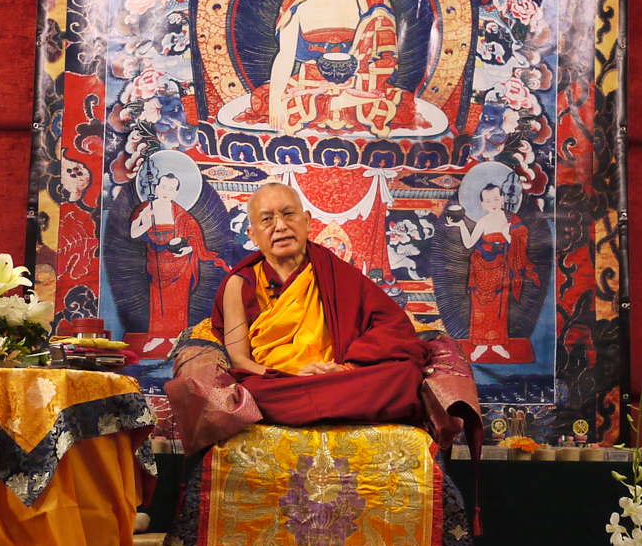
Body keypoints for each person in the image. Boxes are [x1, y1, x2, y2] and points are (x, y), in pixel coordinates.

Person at [165, 182, 482, 463]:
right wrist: (288, 375)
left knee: (404, 376)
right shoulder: (240, 283)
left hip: (334, 376)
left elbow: (394, 328)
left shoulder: (333, 272)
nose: (280, 226)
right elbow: (239, 359)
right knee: (246, 394)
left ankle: (309, 405)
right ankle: (327, 403)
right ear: (252, 235)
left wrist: (345, 369)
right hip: (276, 382)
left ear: (307, 221)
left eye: (289, 215)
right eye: (267, 219)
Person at [237, 0, 427, 137]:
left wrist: (356, 83)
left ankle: (338, 102)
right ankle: (338, 103)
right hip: (309, 85)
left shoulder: (376, 3)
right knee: (264, 100)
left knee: (405, 106)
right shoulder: (298, 0)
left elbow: (385, 59)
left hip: (359, 86)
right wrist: (277, 100)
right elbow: (285, 55)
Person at [129, 172, 228, 349]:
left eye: (171, 189)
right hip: (157, 262)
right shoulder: (148, 209)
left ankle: (177, 336)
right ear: (157, 188)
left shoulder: (181, 214)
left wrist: (188, 249)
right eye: (163, 187)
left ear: (176, 193)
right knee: (158, 302)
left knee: (179, 301)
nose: (166, 191)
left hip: (180, 264)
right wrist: (148, 221)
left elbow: (194, 238)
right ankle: (158, 337)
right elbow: (133, 233)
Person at [448, 182, 540, 361]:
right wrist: (460, 226)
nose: (493, 203)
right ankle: (481, 344)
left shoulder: (511, 220)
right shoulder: (483, 221)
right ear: (483, 205)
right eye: (488, 200)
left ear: (503, 199)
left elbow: (519, 244)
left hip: (502, 268)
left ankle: (497, 343)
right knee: (480, 308)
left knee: (499, 308)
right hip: (481, 267)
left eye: (496, 198)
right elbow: (469, 244)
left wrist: (507, 234)